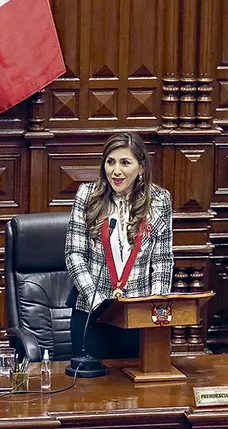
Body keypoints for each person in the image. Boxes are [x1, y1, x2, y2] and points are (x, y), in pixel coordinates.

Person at [65, 132, 174, 358]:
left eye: (125, 163)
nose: (116, 171)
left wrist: (153, 308)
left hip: (138, 315)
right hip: (92, 314)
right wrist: (99, 304)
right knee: (90, 389)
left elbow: (162, 260)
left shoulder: (160, 200)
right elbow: (74, 254)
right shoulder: (87, 195)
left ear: (141, 168)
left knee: (138, 389)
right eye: (110, 162)